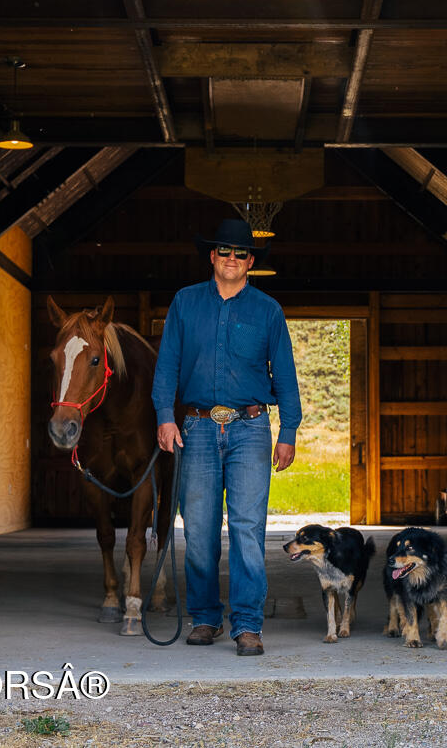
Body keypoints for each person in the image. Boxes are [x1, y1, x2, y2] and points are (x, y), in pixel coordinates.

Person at [151, 216, 302, 656]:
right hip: (195, 427)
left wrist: (288, 429)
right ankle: (204, 617)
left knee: (247, 528)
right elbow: (167, 367)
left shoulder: (268, 311)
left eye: (240, 253)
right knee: (198, 529)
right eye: (224, 251)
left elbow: (286, 376)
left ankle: (248, 625)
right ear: (211, 256)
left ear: (250, 261)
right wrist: (165, 416)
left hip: (251, 429)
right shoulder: (185, 303)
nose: (231, 259)